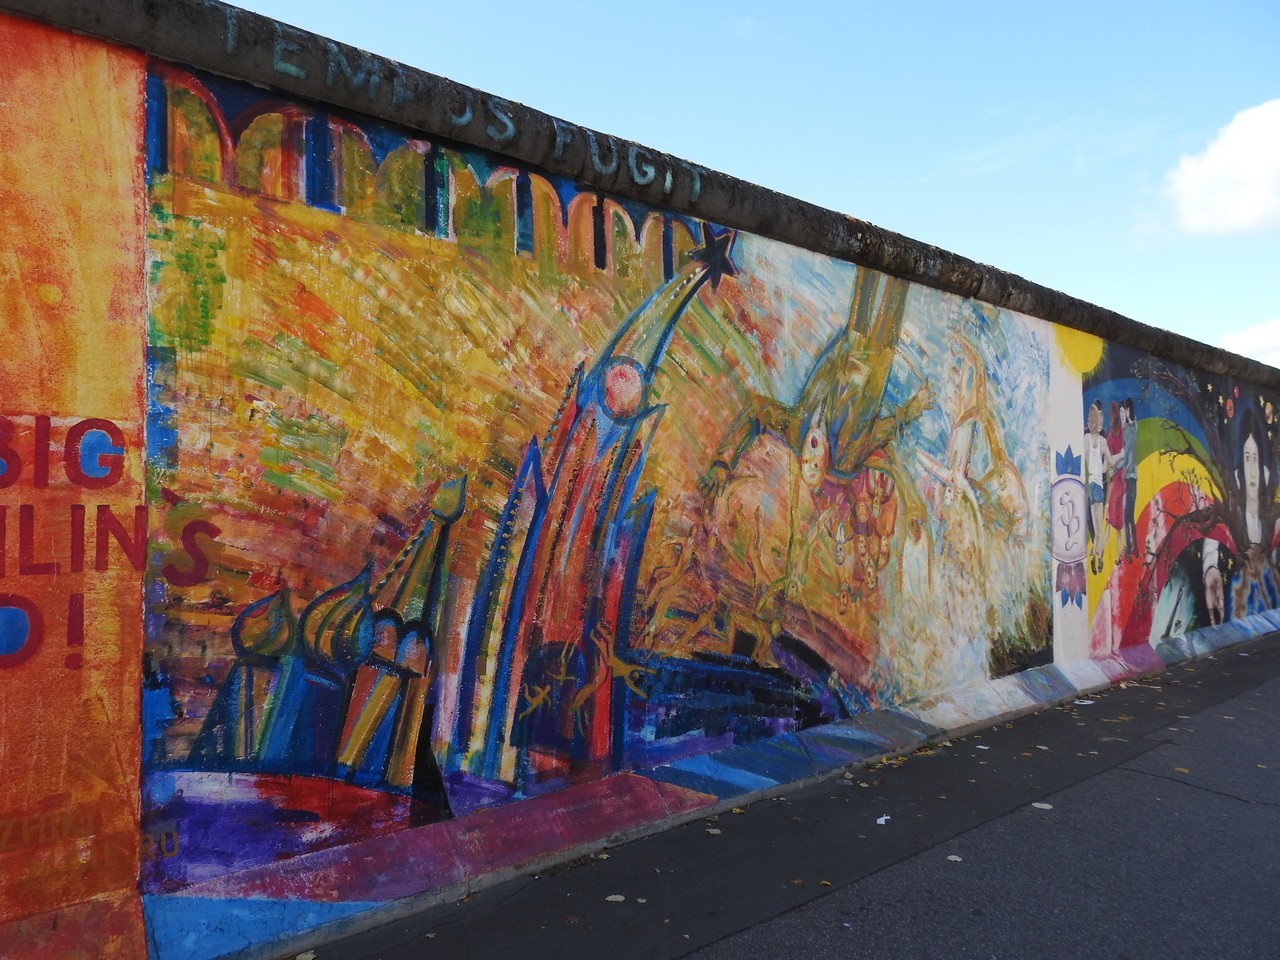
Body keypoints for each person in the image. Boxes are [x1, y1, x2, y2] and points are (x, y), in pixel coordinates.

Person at [1083, 400, 1107, 573]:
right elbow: (1106, 465)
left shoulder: (1088, 437)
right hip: (1097, 485)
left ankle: (1095, 556)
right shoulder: (1100, 439)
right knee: (1098, 528)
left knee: (1095, 526)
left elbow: (1085, 460)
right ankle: (1098, 558)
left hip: (1092, 485)